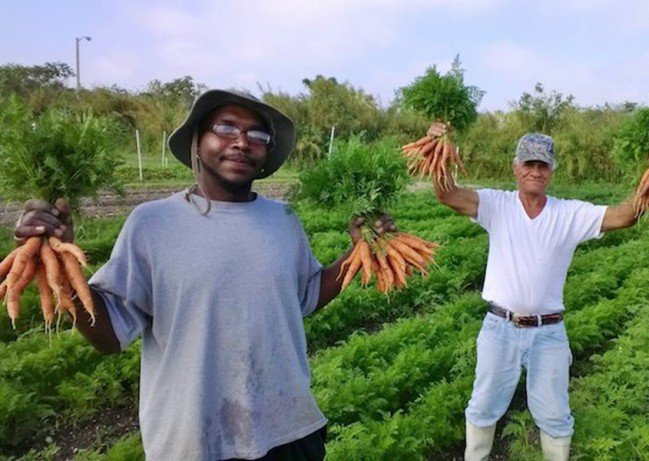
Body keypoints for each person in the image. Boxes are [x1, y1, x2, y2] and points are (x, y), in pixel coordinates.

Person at [14, 89, 394, 460]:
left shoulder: (284, 220)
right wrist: (60, 269)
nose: (242, 142)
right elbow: (108, 337)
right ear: (197, 143)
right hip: (195, 441)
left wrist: (358, 250)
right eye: (226, 128)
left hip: (289, 430)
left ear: (266, 154)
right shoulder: (152, 224)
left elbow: (306, 296)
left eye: (257, 135)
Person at [428, 123, 649, 461]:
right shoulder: (496, 204)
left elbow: (625, 216)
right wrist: (436, 146)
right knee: (483, 406)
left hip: (549, 333)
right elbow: (447, 194)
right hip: (500, 328)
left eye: (542, 165)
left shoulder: (569, 213)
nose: (535, 171)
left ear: (551, 172)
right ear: (515, 168)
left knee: (556, 416)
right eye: (528, 164)